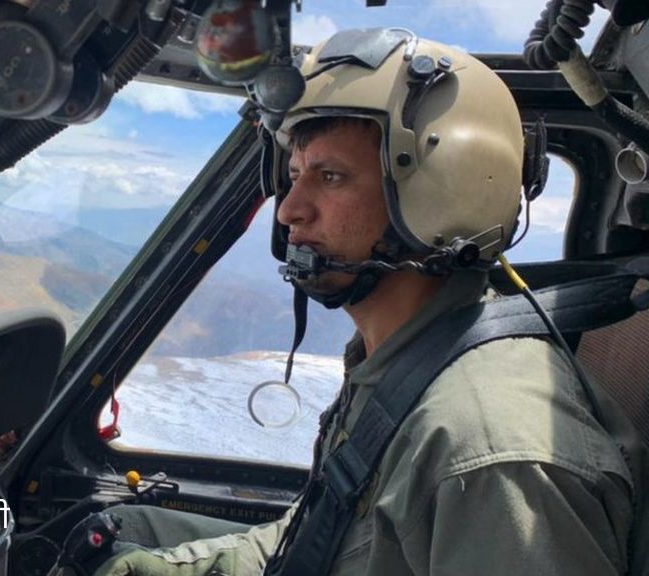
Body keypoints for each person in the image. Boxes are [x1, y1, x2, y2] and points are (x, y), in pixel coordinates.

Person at [93, 28, 649, 576]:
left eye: (331, 176)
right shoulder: (405, 358)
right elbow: (327, 539)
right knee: (124, 534)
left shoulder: (486, 451)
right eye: (294, 175)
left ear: (444, 192)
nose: (289, 210)